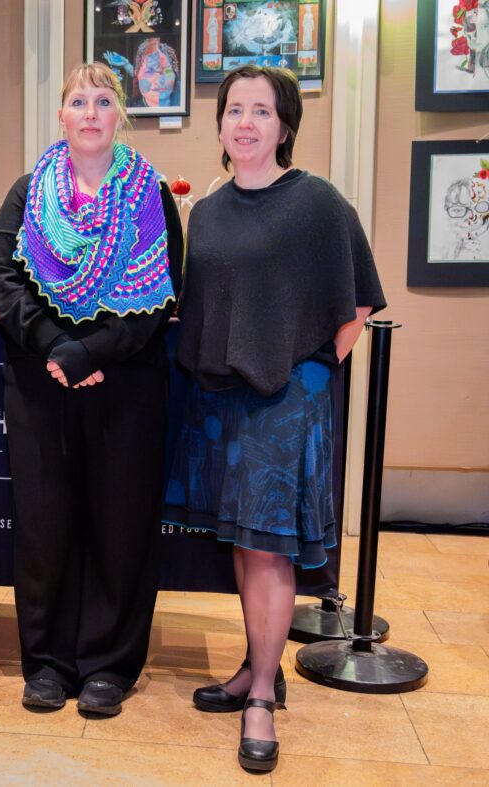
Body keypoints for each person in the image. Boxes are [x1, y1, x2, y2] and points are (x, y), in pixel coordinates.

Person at [163, 65, 386, 772]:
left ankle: (261, 691)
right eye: (234, 110)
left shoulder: (318, 203)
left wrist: (311, 379)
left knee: (270, 549)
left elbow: (356, 306)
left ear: (284, 125)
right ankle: (257, 664)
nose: (246, 122)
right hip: (223, 403)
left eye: (262, 111)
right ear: (222, 124)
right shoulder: (211, 211)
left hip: (285, 405)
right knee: (246, 544)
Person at [0, 63, 182, 717]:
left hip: (124, 387)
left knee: (120, 528)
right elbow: (2, 276)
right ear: (62, 115)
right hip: (41, 386)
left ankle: (108, 665)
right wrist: (52, 346)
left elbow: (162, 297)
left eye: (103, 100)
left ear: (119, 114)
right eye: (78, 100)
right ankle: (46, 662)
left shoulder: (152, 193)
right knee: (44, 527)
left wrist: (90, 350)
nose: (91, 111)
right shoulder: (25, 193)